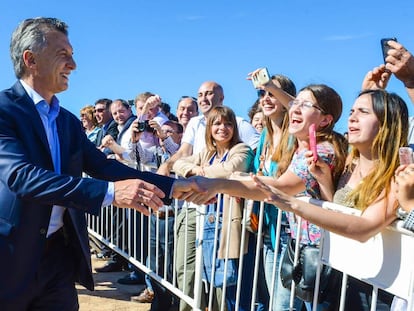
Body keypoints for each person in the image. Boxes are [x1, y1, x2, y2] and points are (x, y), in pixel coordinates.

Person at [0, 17, 214, 310]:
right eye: (64, 54)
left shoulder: (68, 122)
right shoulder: (4, 111)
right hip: (10, 258)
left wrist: (175, 186)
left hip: (58, 261)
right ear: (31, 59)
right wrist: (112, 193)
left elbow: (106, 167)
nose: (73, 65)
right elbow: (22, 178)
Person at [251, 88, 408, 310]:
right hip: (340, 276)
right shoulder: (349, 166)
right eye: (352, 111)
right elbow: (337, 212)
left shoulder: (396, 176)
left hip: (372, 289)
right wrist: (324, 182)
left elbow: (363, 227)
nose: (352, 117)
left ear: (386, 123)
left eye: (362, 112)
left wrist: (294, 204)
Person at [198, 83, 348, 310]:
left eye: (305, 105)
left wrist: (218, 184)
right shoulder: (301, 149)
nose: (295, 109)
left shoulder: (322, 150)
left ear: (325, 120)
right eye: (295, 103)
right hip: (301, 245)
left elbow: (279, 186)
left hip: (321, 252)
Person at [157, 81, 259, 311]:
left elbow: (229, 171)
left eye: (227, 124)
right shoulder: (207, 152)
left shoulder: (241, 149)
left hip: (227, 220)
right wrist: (195, 171)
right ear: (209, 128)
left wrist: (200, 174)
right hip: (205, 217)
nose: (222, 128)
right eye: (217, 124)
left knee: (225, 279)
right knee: (199, 269)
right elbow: (182, 162)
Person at [248, 71, 303, 311]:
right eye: (262, 93)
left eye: (272, 93)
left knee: (284, 305)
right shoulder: (265, 137)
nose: (266, 98)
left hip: (292, 230)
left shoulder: (297, 132)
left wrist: (270, 84)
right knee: (275, 303)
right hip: (269, 227)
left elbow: (298, 108)